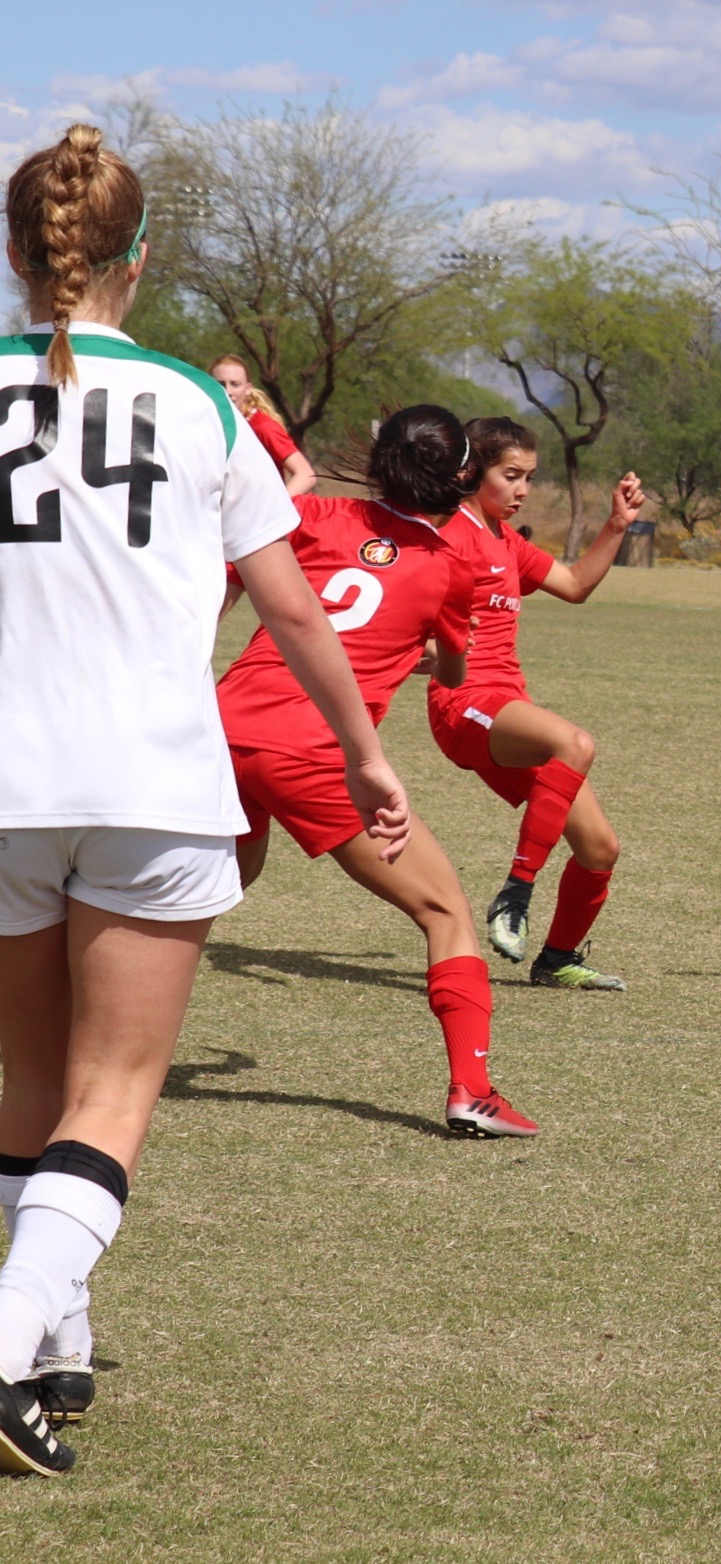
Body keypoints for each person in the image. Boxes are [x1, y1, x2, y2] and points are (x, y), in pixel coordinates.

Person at [0, 124, 408, 1476]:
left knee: (27, 1082)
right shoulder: (194, 400)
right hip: (152, 783)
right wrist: (362, 752)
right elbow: (289, 606)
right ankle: (10, 1340)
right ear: (142, 260)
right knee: (108, 1092)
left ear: (16, 255)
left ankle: (54, 1346)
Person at [219, 405, 542, 1136]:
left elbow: (239, 564)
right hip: (314, 751)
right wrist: (409, 647)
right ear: (461, 475)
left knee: (200, 892)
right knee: (445, 912)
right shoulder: (450, 567)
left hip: (225, 726)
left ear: (376, 460)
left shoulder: (318, 515)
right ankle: (473, 1091)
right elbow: (453, 668)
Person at [431, 418, 643, 990]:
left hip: (508, 707)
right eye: (511, 475)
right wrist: (432, 652)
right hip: (463, 705)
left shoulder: (506, 540)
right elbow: (407, 620)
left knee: (600, 849)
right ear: (473, 471)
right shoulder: (450, 534)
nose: (523, 488)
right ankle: (515, 894)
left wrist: (617, 524)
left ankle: (557, 960)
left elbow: (575, 584)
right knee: (573, 742)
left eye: (529, 476)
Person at [208, 355, 316, 497]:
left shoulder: (261, 426)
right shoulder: (211, 426)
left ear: (247, 389)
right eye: (220, 384)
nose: (228, 391)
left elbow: (306, 475)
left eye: (235, 384)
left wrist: (275, 510)